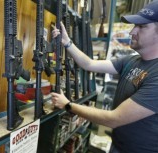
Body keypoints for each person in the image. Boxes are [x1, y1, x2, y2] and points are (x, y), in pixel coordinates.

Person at [51, 1, 158, 153]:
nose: (132, 32)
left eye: (142, 26)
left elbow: (113, 119)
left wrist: (68, 105)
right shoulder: (132, 61)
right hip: (117, 145)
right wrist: (67, 43)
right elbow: (89, 64)